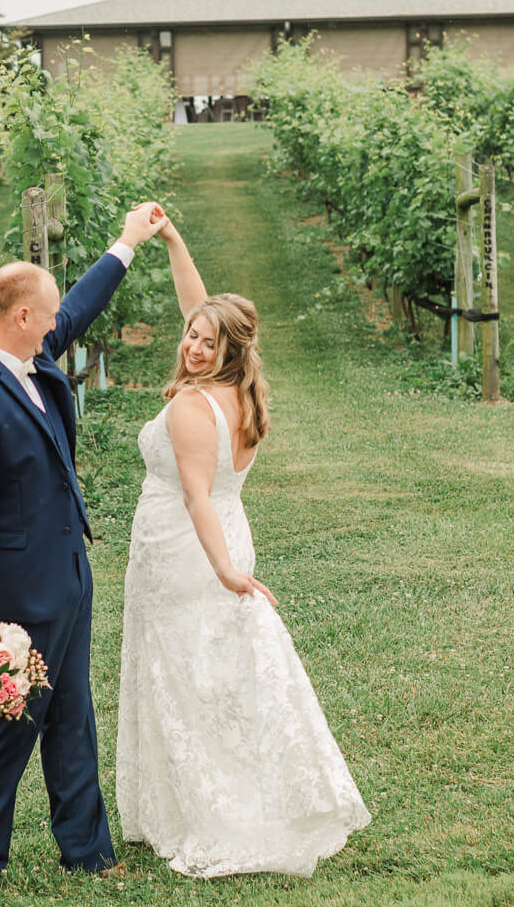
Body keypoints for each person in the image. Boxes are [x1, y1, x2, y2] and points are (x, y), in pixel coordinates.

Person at [116, 215, 371, 878]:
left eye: (205, 341)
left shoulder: (190, 408)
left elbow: (197, 495)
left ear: (225, 350)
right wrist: (173, 240)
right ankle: (244, 790)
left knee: (186, 677)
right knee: (218, 671)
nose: (192, 346)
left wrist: (225, 570)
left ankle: (207, 809)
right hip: (224, 532)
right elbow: (197, 306)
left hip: (188, 548)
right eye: (190, 336)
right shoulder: (242, 390)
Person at [0, 201, 168, 896]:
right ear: (20, 317)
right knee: (14, 718)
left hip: (69, 570)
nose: (58, 321)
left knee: (72, 713)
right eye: (49, 311)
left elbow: (78, 314)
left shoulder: (30, 352)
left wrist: (127, 242)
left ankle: (87, 850)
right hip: (16, 582)